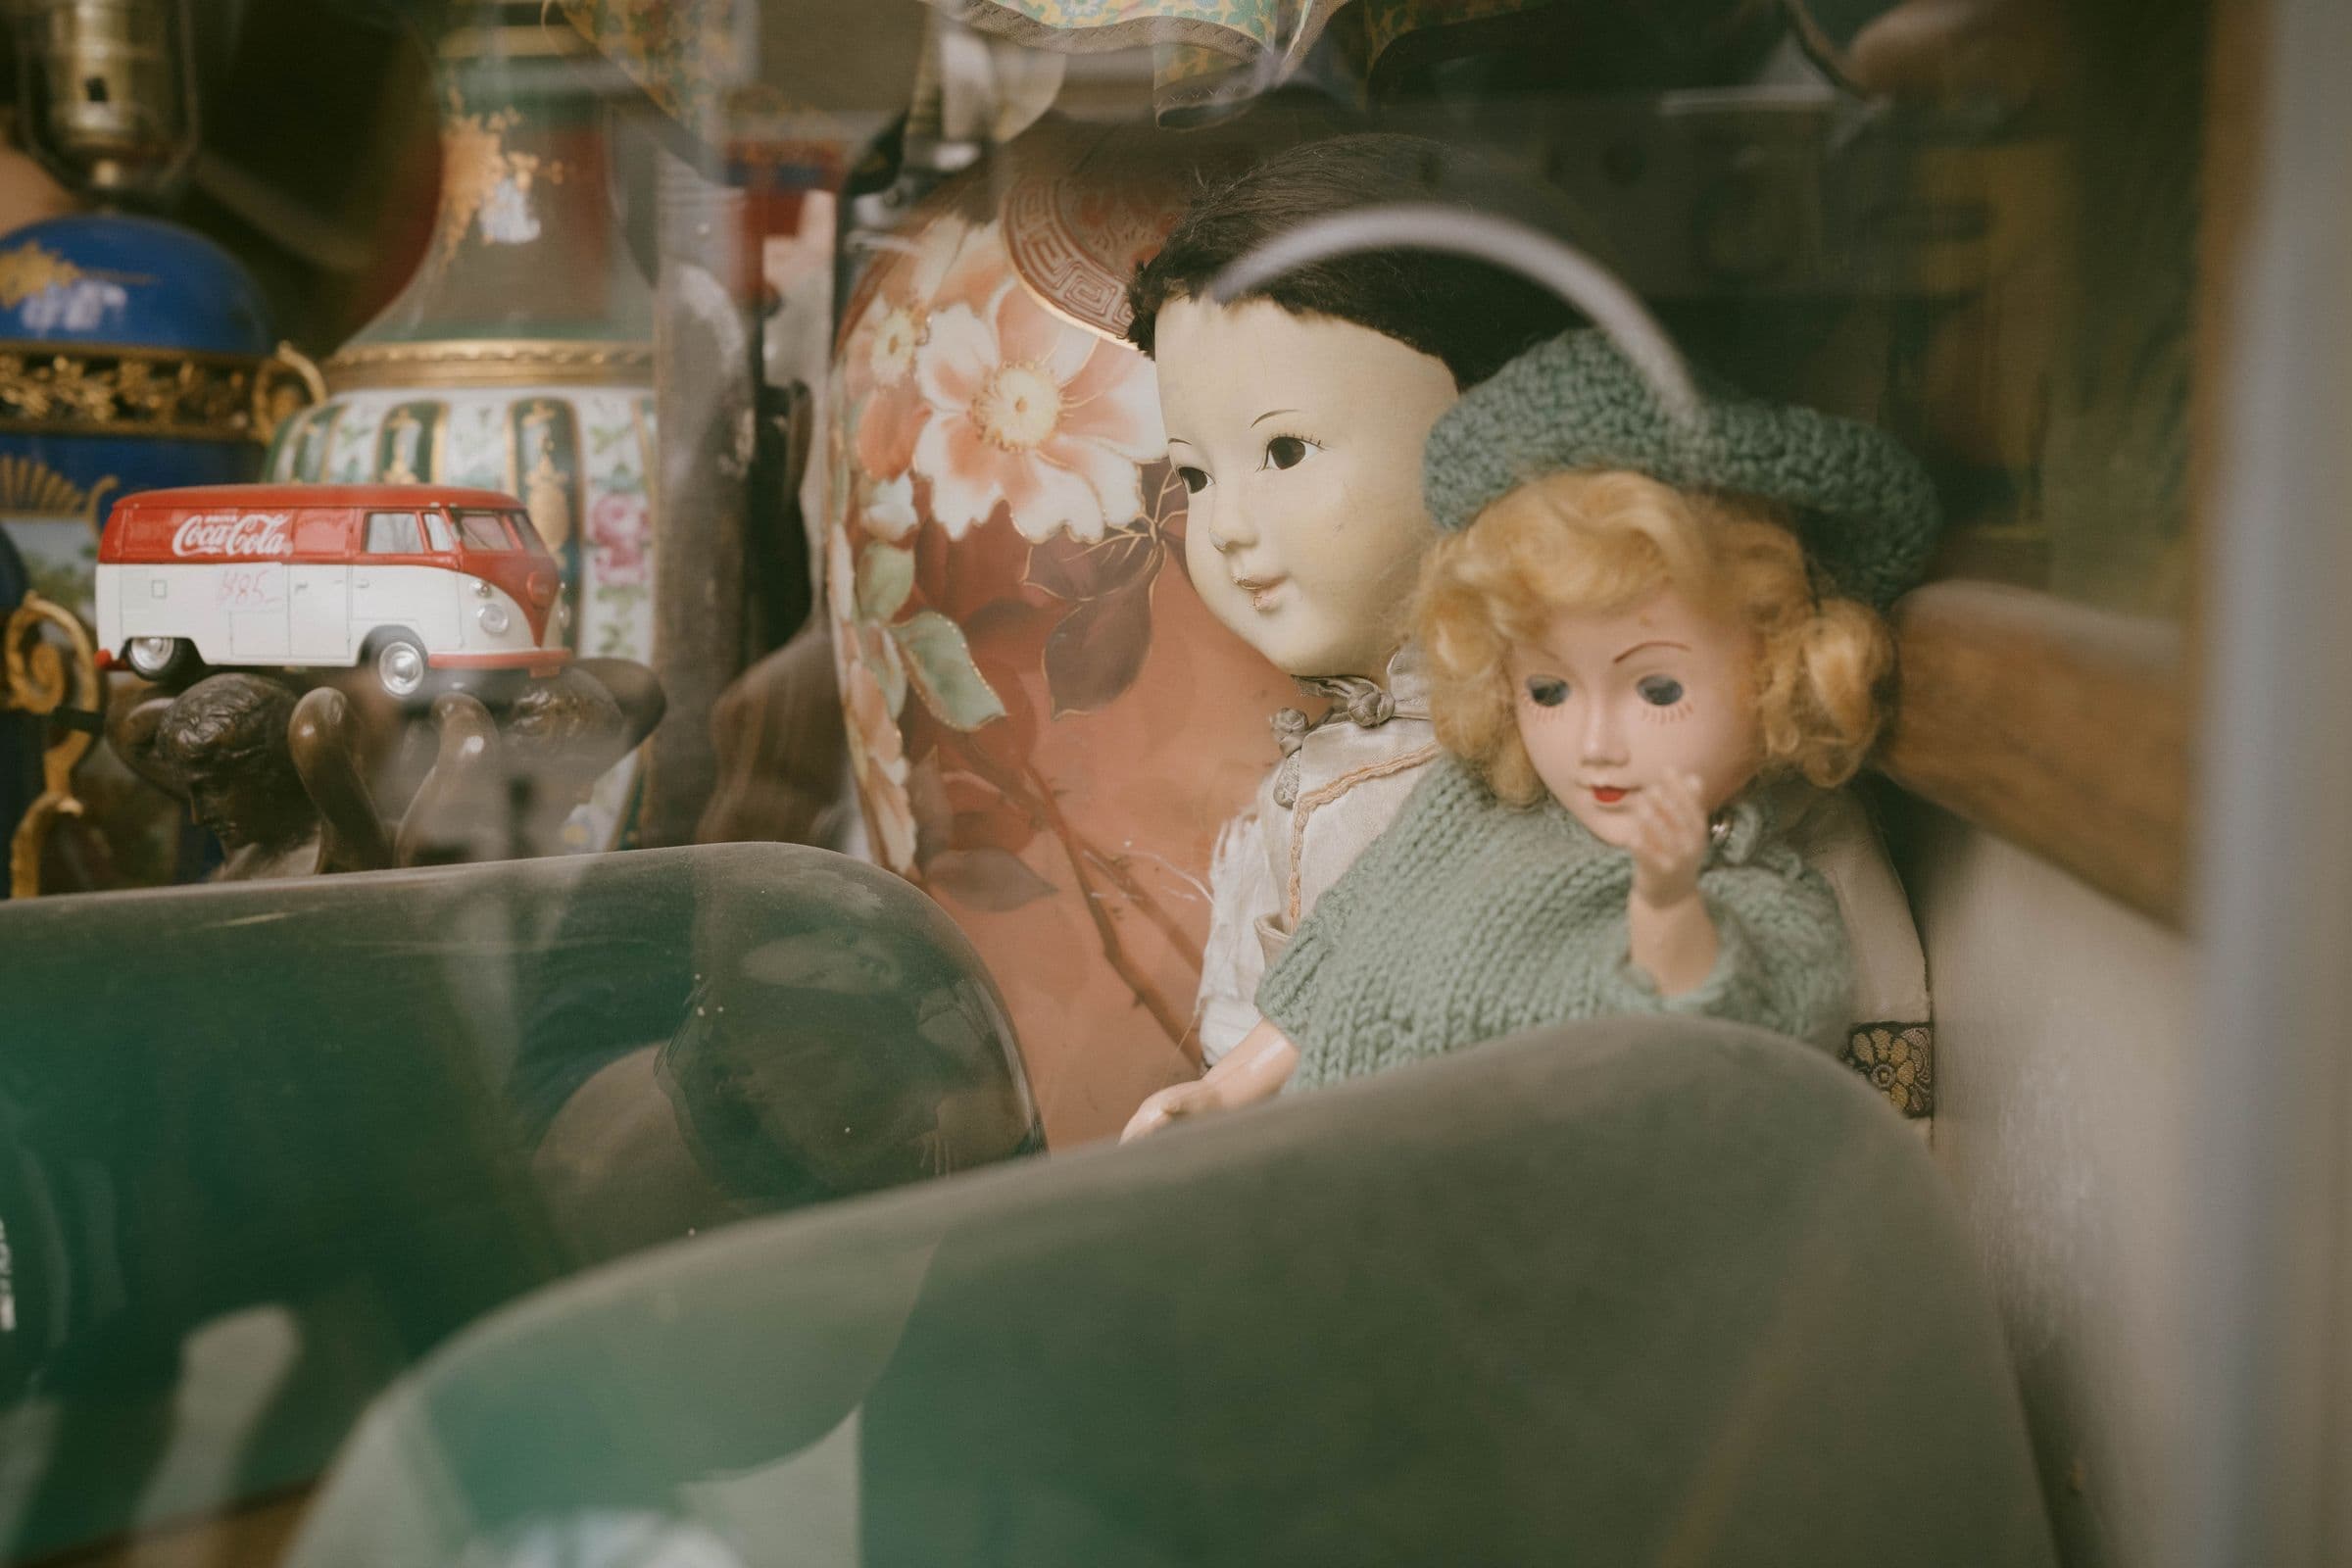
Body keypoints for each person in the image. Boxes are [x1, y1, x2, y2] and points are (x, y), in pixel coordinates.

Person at [1124, 327, 1939, 1135]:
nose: (1594, 741)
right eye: (1549, 689)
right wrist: (1227, 1088)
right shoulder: (1471, 806)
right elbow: (1346, 945)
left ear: (1781, 673)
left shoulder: (1777, 910)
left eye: (1657, 688)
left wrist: (1667, 907)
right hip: (1331, 1169)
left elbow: (1706, 1045)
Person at [1126, 131, 1577, 1062]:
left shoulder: (1574, 746)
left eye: (1285, 452)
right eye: (1196, 476)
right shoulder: (1317, 782)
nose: (1226, 525)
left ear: (1497, 432)